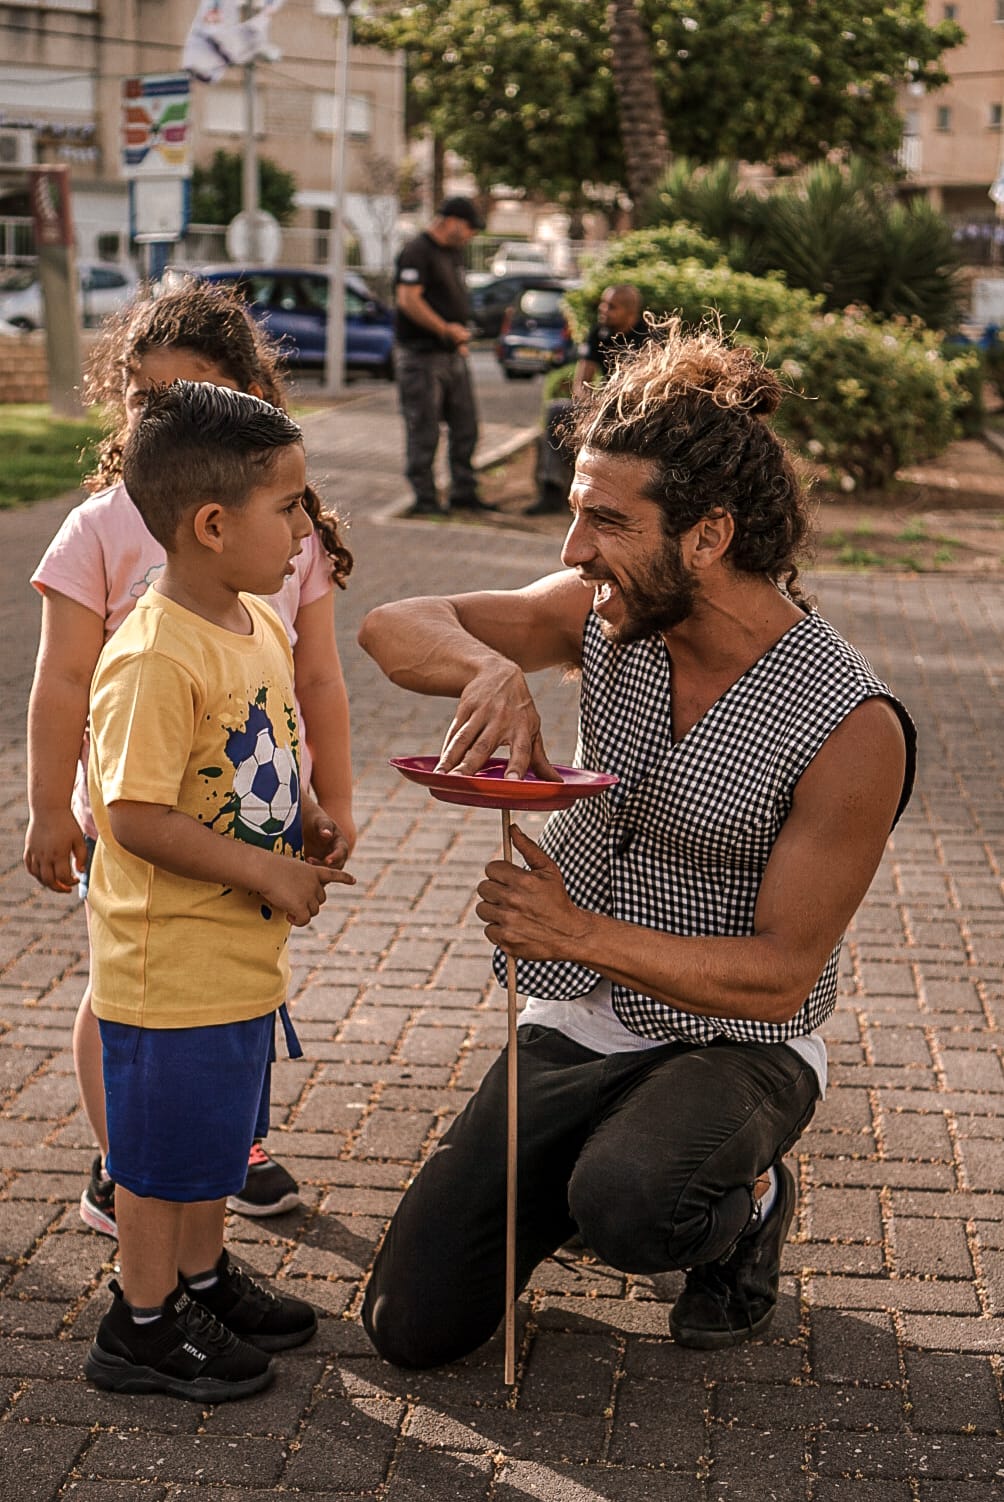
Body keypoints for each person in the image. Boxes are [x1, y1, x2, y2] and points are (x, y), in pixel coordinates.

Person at [357, 322, 916, 1369]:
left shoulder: (851, 722)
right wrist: (482, 670)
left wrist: (574, 928)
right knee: (410, 1325)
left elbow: (778, 975)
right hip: (579, 1016)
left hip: (739, 1040)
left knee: (627, 1199)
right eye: (574, 516)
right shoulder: (608, 611)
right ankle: (603, 1157)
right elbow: (395, 619)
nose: (574, 554)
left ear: (706, 535)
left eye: (605, 522)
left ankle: (743, 1206)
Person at [24, 283, 355, 1237]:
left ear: (246, 399)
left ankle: (219, 1151)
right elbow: (60, 682)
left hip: (246, 815)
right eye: (141, 397)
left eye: (181, 397)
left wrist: (324, 797)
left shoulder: (282, 532)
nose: (151, 418)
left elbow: (318, 681)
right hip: (142, 815)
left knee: (229, 989)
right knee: (130, 994)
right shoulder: (95, 530)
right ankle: (123, 1161)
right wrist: (50, 807)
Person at [82, 380, 355, 1401]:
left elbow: (262, 769)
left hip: (238, 961)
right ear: (209, 523)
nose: (306, 526)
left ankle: (199, 1277)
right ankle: (140, 1321)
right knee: (157, 1162)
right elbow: (135, 815)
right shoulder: (154, 655)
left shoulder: (254, 624)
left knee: (214, 1147)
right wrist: (267, 868)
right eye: (288, 506)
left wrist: (311, 819)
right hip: (170, 966)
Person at [394, 196, 493, 518]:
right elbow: (408, 300)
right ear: (450, 220)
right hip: (421, 356)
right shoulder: (416, 252)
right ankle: (425, 498)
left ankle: (463, 492)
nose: (469, 236)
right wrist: (444, 329)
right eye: (468, 228)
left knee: (466, 427)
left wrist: (456, 336)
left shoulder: (452, 253)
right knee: (424, 429)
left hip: (451, 354)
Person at [530, 283, 648, 515]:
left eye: (611, 306)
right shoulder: (599, 332)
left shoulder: (648, 337)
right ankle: (552, 490)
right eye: (602, 304)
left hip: (638, 410)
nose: (603, 310)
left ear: (630, 312)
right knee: (557, 412)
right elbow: (581, 382)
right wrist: (591, 405)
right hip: (602, 406)